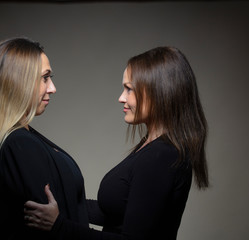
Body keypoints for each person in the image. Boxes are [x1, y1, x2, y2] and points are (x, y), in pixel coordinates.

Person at [23, 46, 209, 240]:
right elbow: (118, 212)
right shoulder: (154, 146)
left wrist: (59, 226)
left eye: (129, 89)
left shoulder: (162, 155)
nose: (121, 98)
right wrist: (60, 205)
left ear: (158, 93)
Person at [0, 37, 89, 239]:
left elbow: (68, 206)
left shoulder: (20, 139)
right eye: (45, 78)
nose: (52, 88)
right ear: (19, 82)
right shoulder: (19, 144)